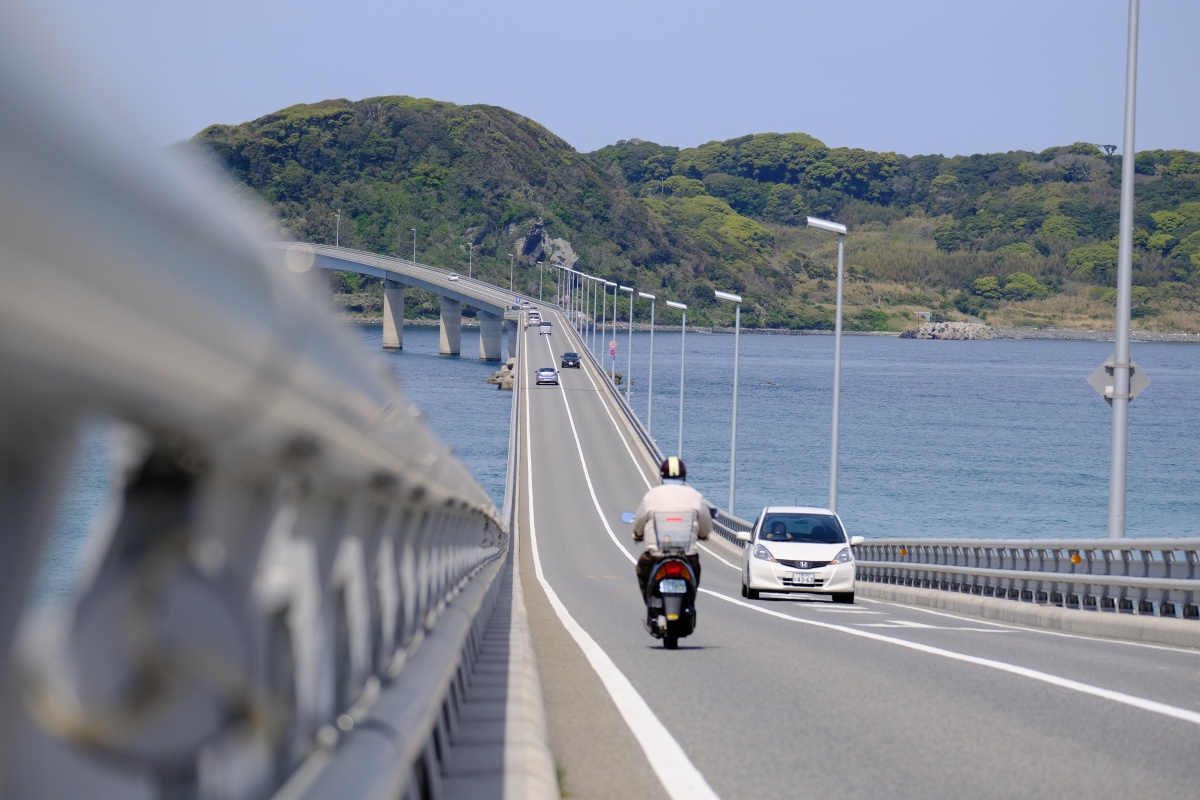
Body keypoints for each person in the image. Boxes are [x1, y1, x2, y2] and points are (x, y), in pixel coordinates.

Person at [632, 456, 712, 598]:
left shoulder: (652, 496)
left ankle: (651, 605)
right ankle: (689, 600)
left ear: (661, 475)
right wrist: (703, 534)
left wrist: (638, 534)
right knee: (695, 571)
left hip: (657, 555)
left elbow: (639, 520)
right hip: (687, 555)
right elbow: (706, 524)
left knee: (642, 569)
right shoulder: (695, 496)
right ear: (684, 475)